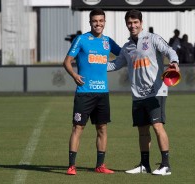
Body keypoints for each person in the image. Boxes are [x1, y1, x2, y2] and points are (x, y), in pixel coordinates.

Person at [107, 9, 180, 176]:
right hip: (138, 94)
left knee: (157, 126)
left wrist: (174, 62)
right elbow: (115, 65)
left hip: (156, 91)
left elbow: (170, 51)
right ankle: (144, 165)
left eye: (135, 22)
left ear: (141, 23)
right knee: (142, 130)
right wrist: (94, 66)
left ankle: (166, 165)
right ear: (126, 24)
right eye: (129, 23)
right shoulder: (126, 47)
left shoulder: (153, 38)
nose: (132, 26)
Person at [63, 8, 121, 175]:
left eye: (101, 21)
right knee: (78, 128)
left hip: (102, 93)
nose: (98, 24)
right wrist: (74, 75)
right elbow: (67, 61)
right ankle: (72, 166)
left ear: (104, 22)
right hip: (84, 93)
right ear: (90, 22)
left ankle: (100, 165)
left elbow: (124, 54)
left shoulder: (108, 41)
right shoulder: (81, 39)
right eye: (95, 21)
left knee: (102, 128)